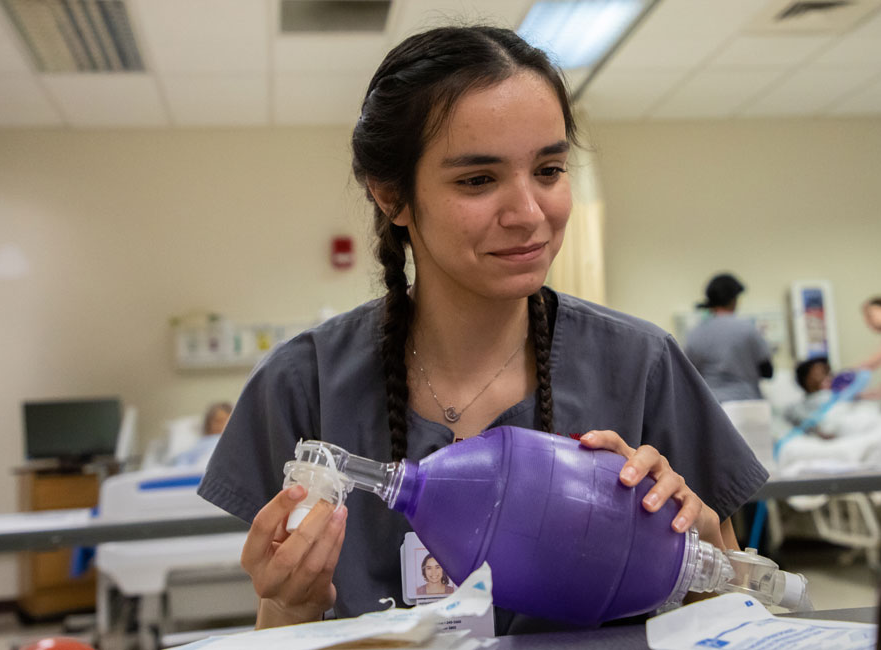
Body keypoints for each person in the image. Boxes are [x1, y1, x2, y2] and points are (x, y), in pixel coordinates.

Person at [197, 25, 767, 634]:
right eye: (478, 180)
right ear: (393, 196)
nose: (528, 213)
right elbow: (280, 630)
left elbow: (737, 619)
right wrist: (289, 604)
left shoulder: (639, 365)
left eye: (549, 169)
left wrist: (699, 537)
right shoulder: (302, 384)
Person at [683, 273, 773, 402]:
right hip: (746, 403)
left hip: (712, 405)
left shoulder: (694, 333)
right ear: (734, 299)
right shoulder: (748, 329)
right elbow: (767, 371)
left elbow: (690, 373)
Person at [170, 401, 233, 467]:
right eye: (218, 421)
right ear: (209, 424)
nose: (221, 425)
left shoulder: (233, 442)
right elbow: (181, 462)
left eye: (226, 421)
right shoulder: (200, 444)